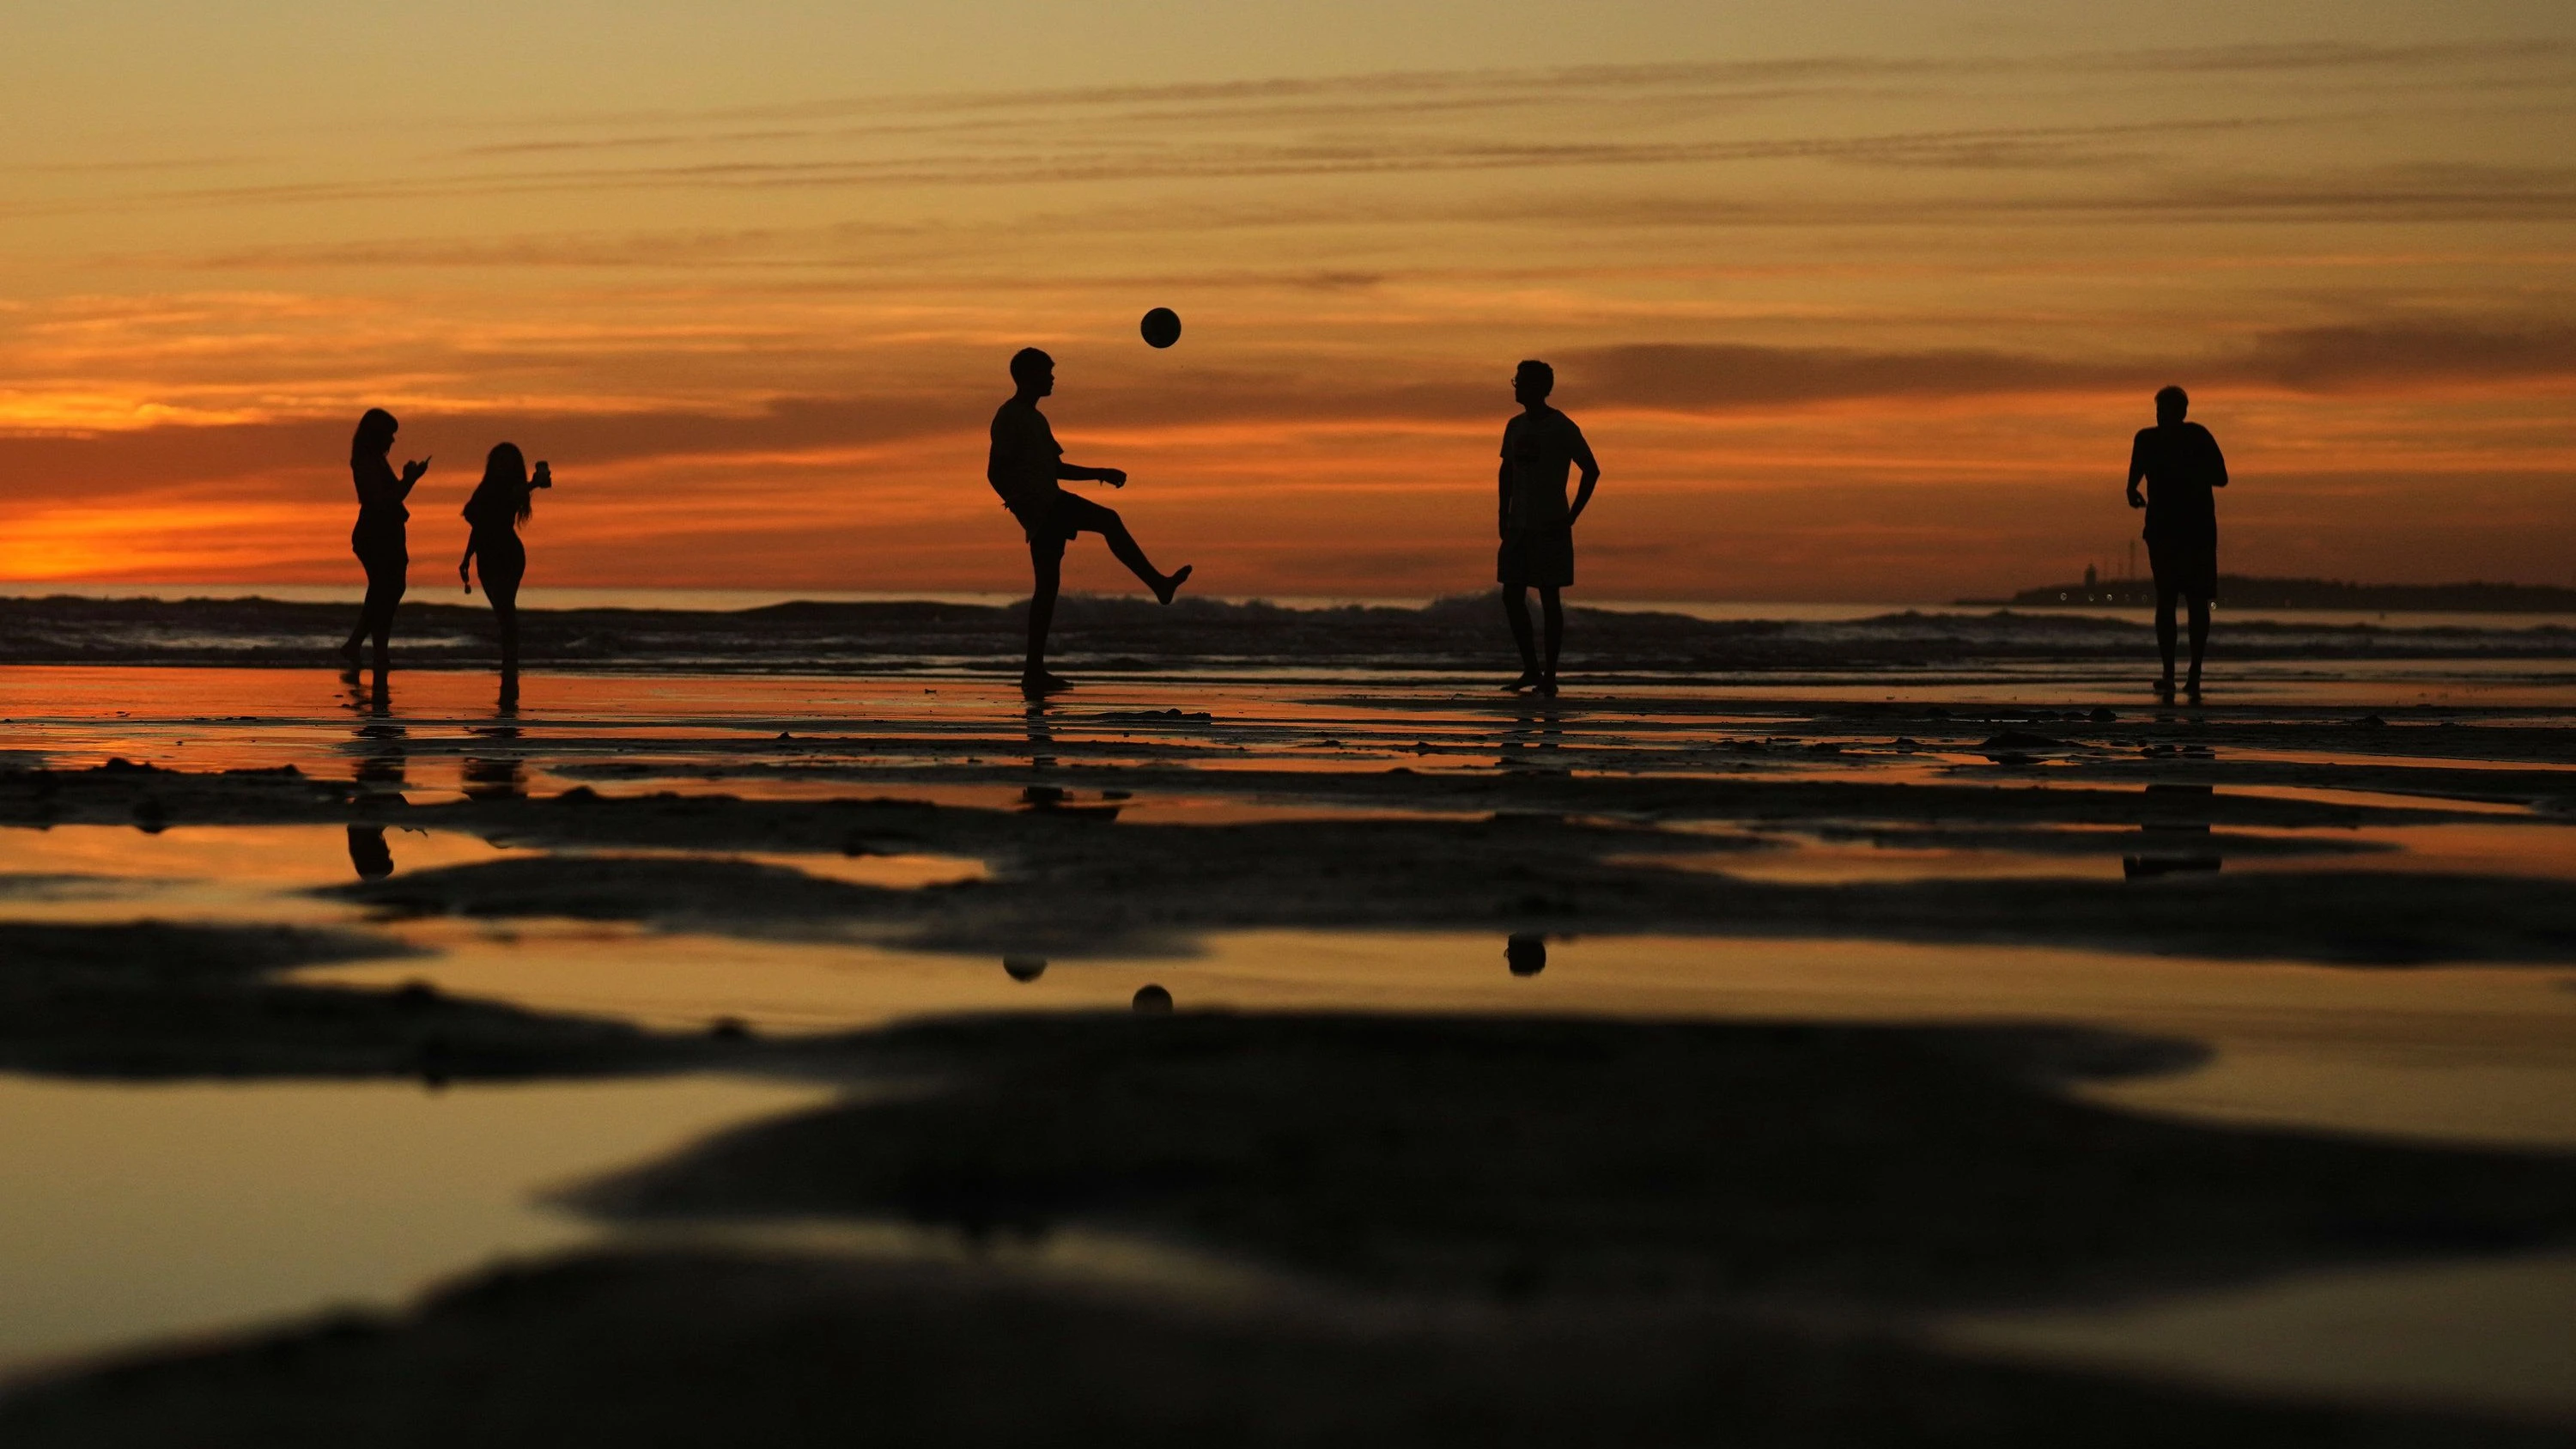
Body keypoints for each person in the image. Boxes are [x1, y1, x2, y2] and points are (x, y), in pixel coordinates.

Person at [988, 347, 1190, 696]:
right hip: (1045, 507)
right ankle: (1158, 584)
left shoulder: (1037, 420)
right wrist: (1020, 503)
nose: (1052, 378)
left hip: (1048, 505)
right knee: (1109, 520)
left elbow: (1056, 469)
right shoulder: (1010, 417)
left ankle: (1032, 672)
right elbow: (995, 470)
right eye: (1047, 372)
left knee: (1047, 590)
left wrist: (1100, 472)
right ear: (1028, 376)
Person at [1496, 359, 1599, 696]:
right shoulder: (1515, 426)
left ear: (1540, 387)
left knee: (1549, 597)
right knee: (1512, 594)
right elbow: (1506, 471)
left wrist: (1572, 516)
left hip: (1550, 524)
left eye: (1523, 382)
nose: (1517, 387)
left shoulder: (1561, 426)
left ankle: (1550, 676)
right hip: (1518, 524)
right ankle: (1530, 668)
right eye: (1517, 381)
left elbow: (1591, 470)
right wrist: (1502, 513)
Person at [2126, 385, 2228, 699]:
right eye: (2158, 413)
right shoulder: (2149, 439)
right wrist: (2136, 493)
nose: (2161, 418)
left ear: (2181, 413)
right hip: (2169, 530)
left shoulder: (2192, 437)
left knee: (2189, 601)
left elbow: (2221, 477)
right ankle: (2175, 674)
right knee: (2173, 600)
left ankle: (2190, 673)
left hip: (2190, 529)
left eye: (2165, 413)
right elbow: (2131, 487)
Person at [337, 409, 428, 674]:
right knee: (385, 591)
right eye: (390, 434)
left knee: (384, 591)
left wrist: (409, 481)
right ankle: (374, 651)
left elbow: (391, 496)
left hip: (382, 531)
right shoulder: (366, 462)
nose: (393, 440)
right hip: (377, 533)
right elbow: (382, 500)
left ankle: (363, 647)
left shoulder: (373, 460)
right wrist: (409, 480)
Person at [458, 442, 550, 678]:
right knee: (503, 611)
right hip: (487, 554)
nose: (503, 464)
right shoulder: (486, 488)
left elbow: (507, 500)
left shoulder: (513, 488)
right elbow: (477, 521)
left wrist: (533, 484)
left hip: (507, 552)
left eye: (508, 460)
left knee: (505, 608)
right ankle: (510, 659)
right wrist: (467, 557)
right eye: (500, 459)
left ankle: (510, 661)